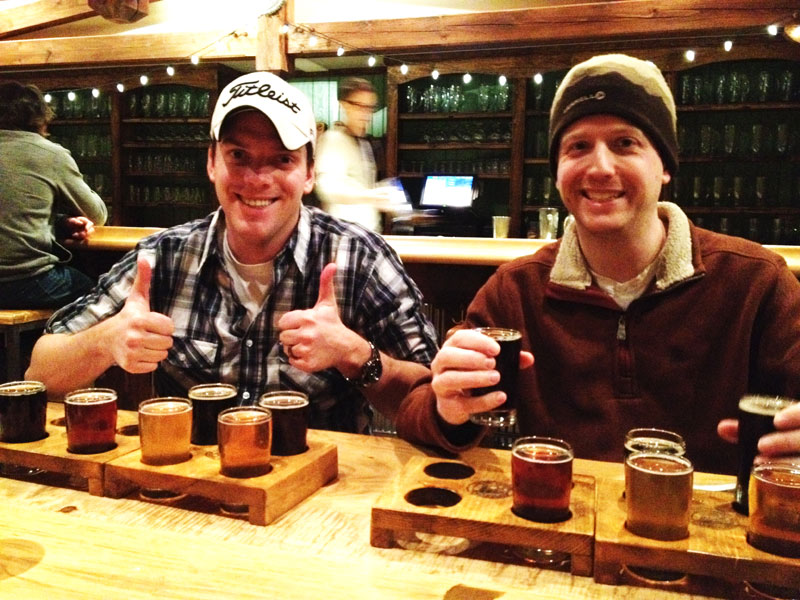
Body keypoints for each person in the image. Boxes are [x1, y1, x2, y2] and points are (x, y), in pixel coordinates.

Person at [395, 54, 800, 474]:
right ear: (557, 173)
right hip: (556, 509)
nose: (600, 167)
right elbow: (415, 412)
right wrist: (446, 408)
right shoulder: (515, 289)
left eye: (625, 143)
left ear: (665, 165)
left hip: (711, 516)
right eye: (578, 147)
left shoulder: (756, 282)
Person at [26, 71, 438, 433]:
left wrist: (354, 354)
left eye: (282, 159)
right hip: (192, 483)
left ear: (309, 173)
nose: (257, 178)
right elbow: (41, 374)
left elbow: (430, 398)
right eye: (238, 156)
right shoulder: (163, 257)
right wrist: (106, 340)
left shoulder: (361, 258)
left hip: (323, 487)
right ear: (212, 162)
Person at [0, 81, 107, 309]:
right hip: (24, 280)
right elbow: (97, 214)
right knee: (96, 292)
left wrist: (59, 223)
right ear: (40, 117)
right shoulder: (50, 154)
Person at [315, 77, 405, 233]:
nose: (366, 113)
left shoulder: (363, 142)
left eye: (370, 107)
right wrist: (372, 196)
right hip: (343, 234)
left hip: (367, 232)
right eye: (359, 105)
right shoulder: (334, 139)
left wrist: (381, 193)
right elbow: (327, 188)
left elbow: (357, 185)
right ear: (344, 105)